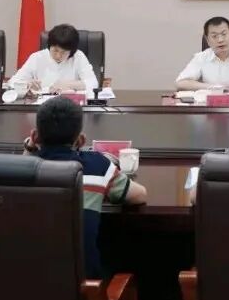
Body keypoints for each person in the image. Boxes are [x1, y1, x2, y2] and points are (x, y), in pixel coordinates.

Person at [23, 97, 147, 278]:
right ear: (81, 140)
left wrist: (29, 148)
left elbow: (24, 166)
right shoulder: (97, 166)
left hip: (27, 283)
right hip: (84, 287)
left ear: (35, 137)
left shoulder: (20, 173)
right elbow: (140, 195)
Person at [9, 24, 98, 95]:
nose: (58, 56)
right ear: (49, 45)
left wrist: (68, 84)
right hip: (41, 106)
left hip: (69, 106)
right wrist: (27, 84)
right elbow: (12, 82)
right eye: (55, 50)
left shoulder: (78, 57)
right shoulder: (37, 57)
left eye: (63, 52)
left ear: (72, 51)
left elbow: (93, 83)